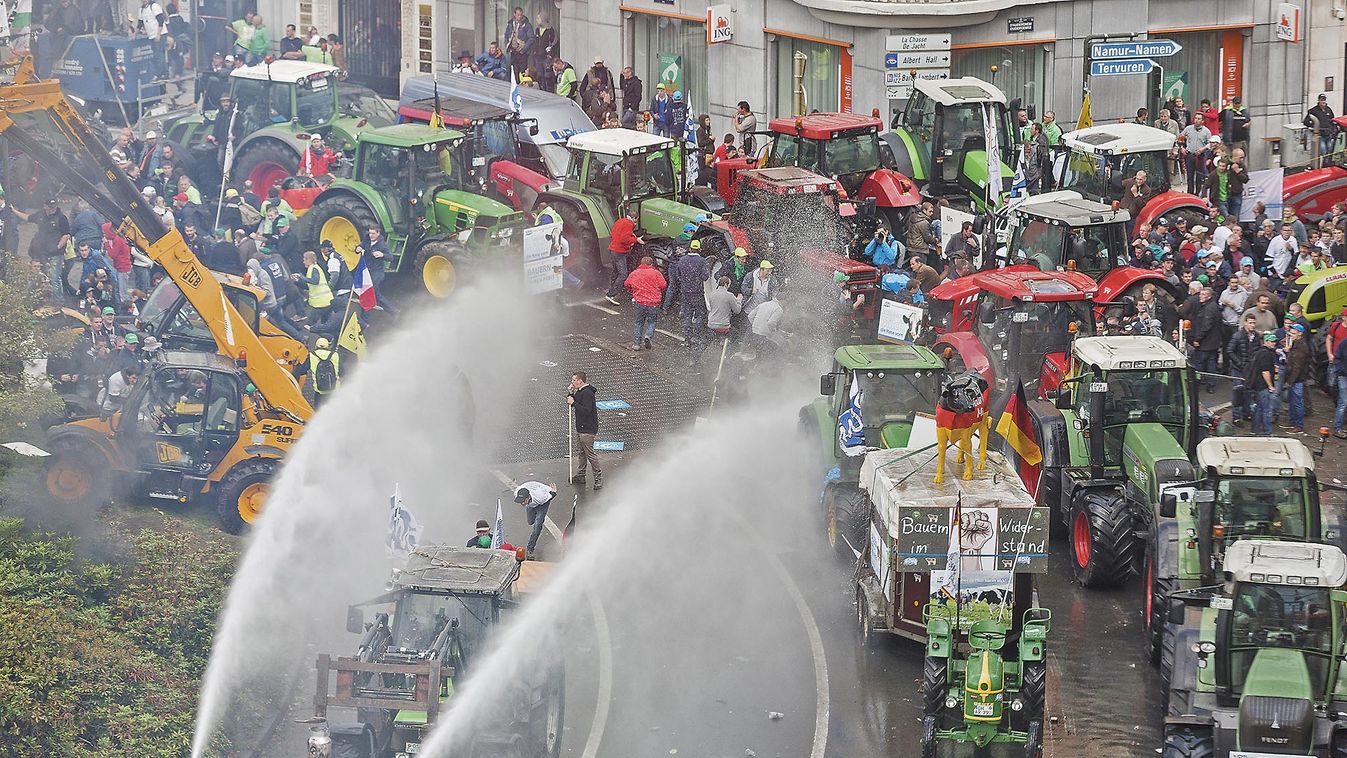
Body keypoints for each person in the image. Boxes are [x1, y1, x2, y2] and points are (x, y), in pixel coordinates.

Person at [664, 239, 709, 364]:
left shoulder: (682, 260)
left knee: (687, 316)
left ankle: (687, 338)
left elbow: (678, 275)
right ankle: (697, 336)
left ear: (689, 248)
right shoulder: (701, 261)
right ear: (699, 249)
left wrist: (685, 282)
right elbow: (705, 276)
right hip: (697, 292)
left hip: (685, 292)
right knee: (700, 315)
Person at [568, 371, 602, 489]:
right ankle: (581, 474)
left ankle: (598, 479)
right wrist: (571, 393)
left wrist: (573, 404)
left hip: (587, 429)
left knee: (590, 454)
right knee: (581, 452)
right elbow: (574, 401)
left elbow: (586, 410)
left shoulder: (587, 393)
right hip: (581, 427)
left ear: (580, 381)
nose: (572, 382)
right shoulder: (580, 391)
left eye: (574, 380)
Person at [624, 255, 666, 351]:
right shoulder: (656, 273)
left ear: (641, 263)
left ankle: (636, 344)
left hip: (639, 302)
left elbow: (626, 284)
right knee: (652, 321)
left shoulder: (635, 273)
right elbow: (663, 285)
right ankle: (648, 335)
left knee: (639, 323)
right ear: (651, 264)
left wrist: (632, 291)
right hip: (653, 302)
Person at [605, 207, 643, 305]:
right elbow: (624, 238)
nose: (636, 222)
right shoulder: (629, 224)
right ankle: (611, 294)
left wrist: (633, 237)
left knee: (615, 272)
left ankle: (612, 290)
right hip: (619, 252)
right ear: (634, 218)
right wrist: (636, 240)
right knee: (623, 274)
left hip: (613, 250)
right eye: (636, 220)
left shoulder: (620, 221)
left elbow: (616, 234)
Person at [1228, 314, 1260, 425]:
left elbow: (1257, 351)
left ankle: (1246, 414)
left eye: (1254, 323)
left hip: (1250, 370)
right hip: (1238, 369)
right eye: (1250, 323)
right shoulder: (1237, 336)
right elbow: (1230, 351)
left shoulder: (1256, 337)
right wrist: (1239, 363)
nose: (1252, 325)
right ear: (1245, 323)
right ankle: (1236, 417)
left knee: (1248, 392)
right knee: (1238, 392)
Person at [514, 481, 557, 559]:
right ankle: (536, 517)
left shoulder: (541, 497)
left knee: (537, 524)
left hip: (543, 502)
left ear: (528, 497)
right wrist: (526, 503)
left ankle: (530, 548)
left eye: (523, 501)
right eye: (520, 501)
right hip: (532, 502)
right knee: (530, 521)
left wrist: (553, 491)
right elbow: (523, 500)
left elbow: (552, 495)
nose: (522, 503)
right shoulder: (517, 492)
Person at [362, 226, 397, 314]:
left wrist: (382, 255)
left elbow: (390, 258)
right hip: (368, 271)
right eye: (370, 233)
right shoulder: (367, 241)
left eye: (373, 233)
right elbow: (360, 245)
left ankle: (393, 310)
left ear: (378, 233)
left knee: (373, 292)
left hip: (377, 272)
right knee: (367, 293)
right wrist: (357, 249)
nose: (371, 235)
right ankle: (365, 314)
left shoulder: (382, 245)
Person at [1249, 332, 1279, 435]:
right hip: (1263, 385)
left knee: (1259, 408)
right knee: (1266, 410)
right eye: (1272, 341)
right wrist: (1270, 386)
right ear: (1266, 342)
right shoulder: (1266, 354)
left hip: (1257, 385)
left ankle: (1255, 430)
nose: (1274, 343)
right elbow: (1265, 372)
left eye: (1275, 341)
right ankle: (1268, 431)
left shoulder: (1259, 352)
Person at [1282, 323, 1311, 433]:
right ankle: (1293, 422)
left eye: (1293, 333)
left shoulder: (1302, 348)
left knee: (1297, 403)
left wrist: (1289, 382)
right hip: (1294, 379)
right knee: (1293, 402)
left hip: (1297, 380)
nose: (1291, 335)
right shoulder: (1295, 344)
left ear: (1300, 334)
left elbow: (1297, 368)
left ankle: (1298, 425)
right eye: (1291, 333)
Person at [1180, 116, 1213, 195]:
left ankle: (1198, 193)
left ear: (1202, 121)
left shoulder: (1206, 131)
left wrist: (1203, 149)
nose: (1196, 120)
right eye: (1195, 118)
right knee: (1190, 176)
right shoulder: (1188, 129)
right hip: (1189, 155)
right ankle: (1190, 193)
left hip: (1200, 156)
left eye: (1199, 119)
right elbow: (1180, 138)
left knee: (1199, 176)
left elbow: (1210, 143)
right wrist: (1182, 148)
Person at [305, 337, 340, 407]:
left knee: (318, 409)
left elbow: (302, 370)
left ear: (316, 346)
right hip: (334, 390)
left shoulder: (312, 355)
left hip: (319, 391)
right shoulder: (335, 355)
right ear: (328, 346)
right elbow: (343, 372)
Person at [1306, 93, 1338, 168]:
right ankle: (1323, 166)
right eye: (1321, 100)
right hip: (1320, 136)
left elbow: (1333, 120)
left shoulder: (1328, 109)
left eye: (1324, 100)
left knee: (1330, 151)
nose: (1323, 101)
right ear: (1318, 100)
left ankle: (1327, 166)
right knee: (1323, 151)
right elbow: (1306, 122)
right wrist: (1315, 127)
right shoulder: (1313, 111)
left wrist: (1333, 129)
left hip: (1329, 135)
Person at [503, 7, 533, 74]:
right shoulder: (510, 24)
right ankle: (515, 84)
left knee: (522, 71)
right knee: (514, 71)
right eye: (518, 15)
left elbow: (531, 38)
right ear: (514, 14)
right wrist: (507, 46)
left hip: (522, 52)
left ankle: (522, 84)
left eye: (521, 15)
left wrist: (524, 49)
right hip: (513, 51)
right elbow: (506, 35)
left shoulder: (527, 24)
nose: (519, 16)